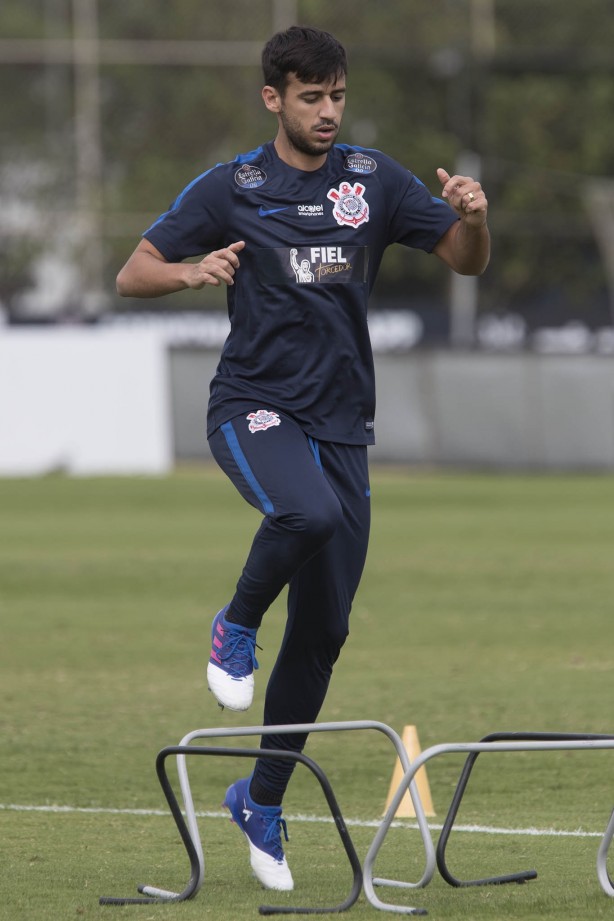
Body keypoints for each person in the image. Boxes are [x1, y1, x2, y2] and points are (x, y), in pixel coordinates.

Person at [116, 25, 490, 892]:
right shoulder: (232, 186)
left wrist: (476, 218)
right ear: (273, 98)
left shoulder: (374, 180)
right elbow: (134, 271)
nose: (327, 112)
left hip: (342, 426)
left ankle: (262, 798)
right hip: (252, 408)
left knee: (324, 631)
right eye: (311, 97)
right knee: (306, 512)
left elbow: (466, 263)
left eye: (338, 96)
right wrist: (194, 270)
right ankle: (234, 625)